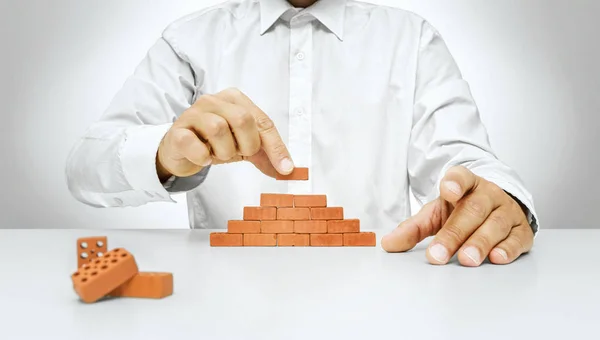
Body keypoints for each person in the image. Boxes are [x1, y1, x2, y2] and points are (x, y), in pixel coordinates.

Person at [66, 0, 539, 267]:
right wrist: (164, 155)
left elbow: (464, 161)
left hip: (379, 303)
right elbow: (86, 170)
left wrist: (499, 198)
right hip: (220, 310)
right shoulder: (188, 41)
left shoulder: (410, 38)